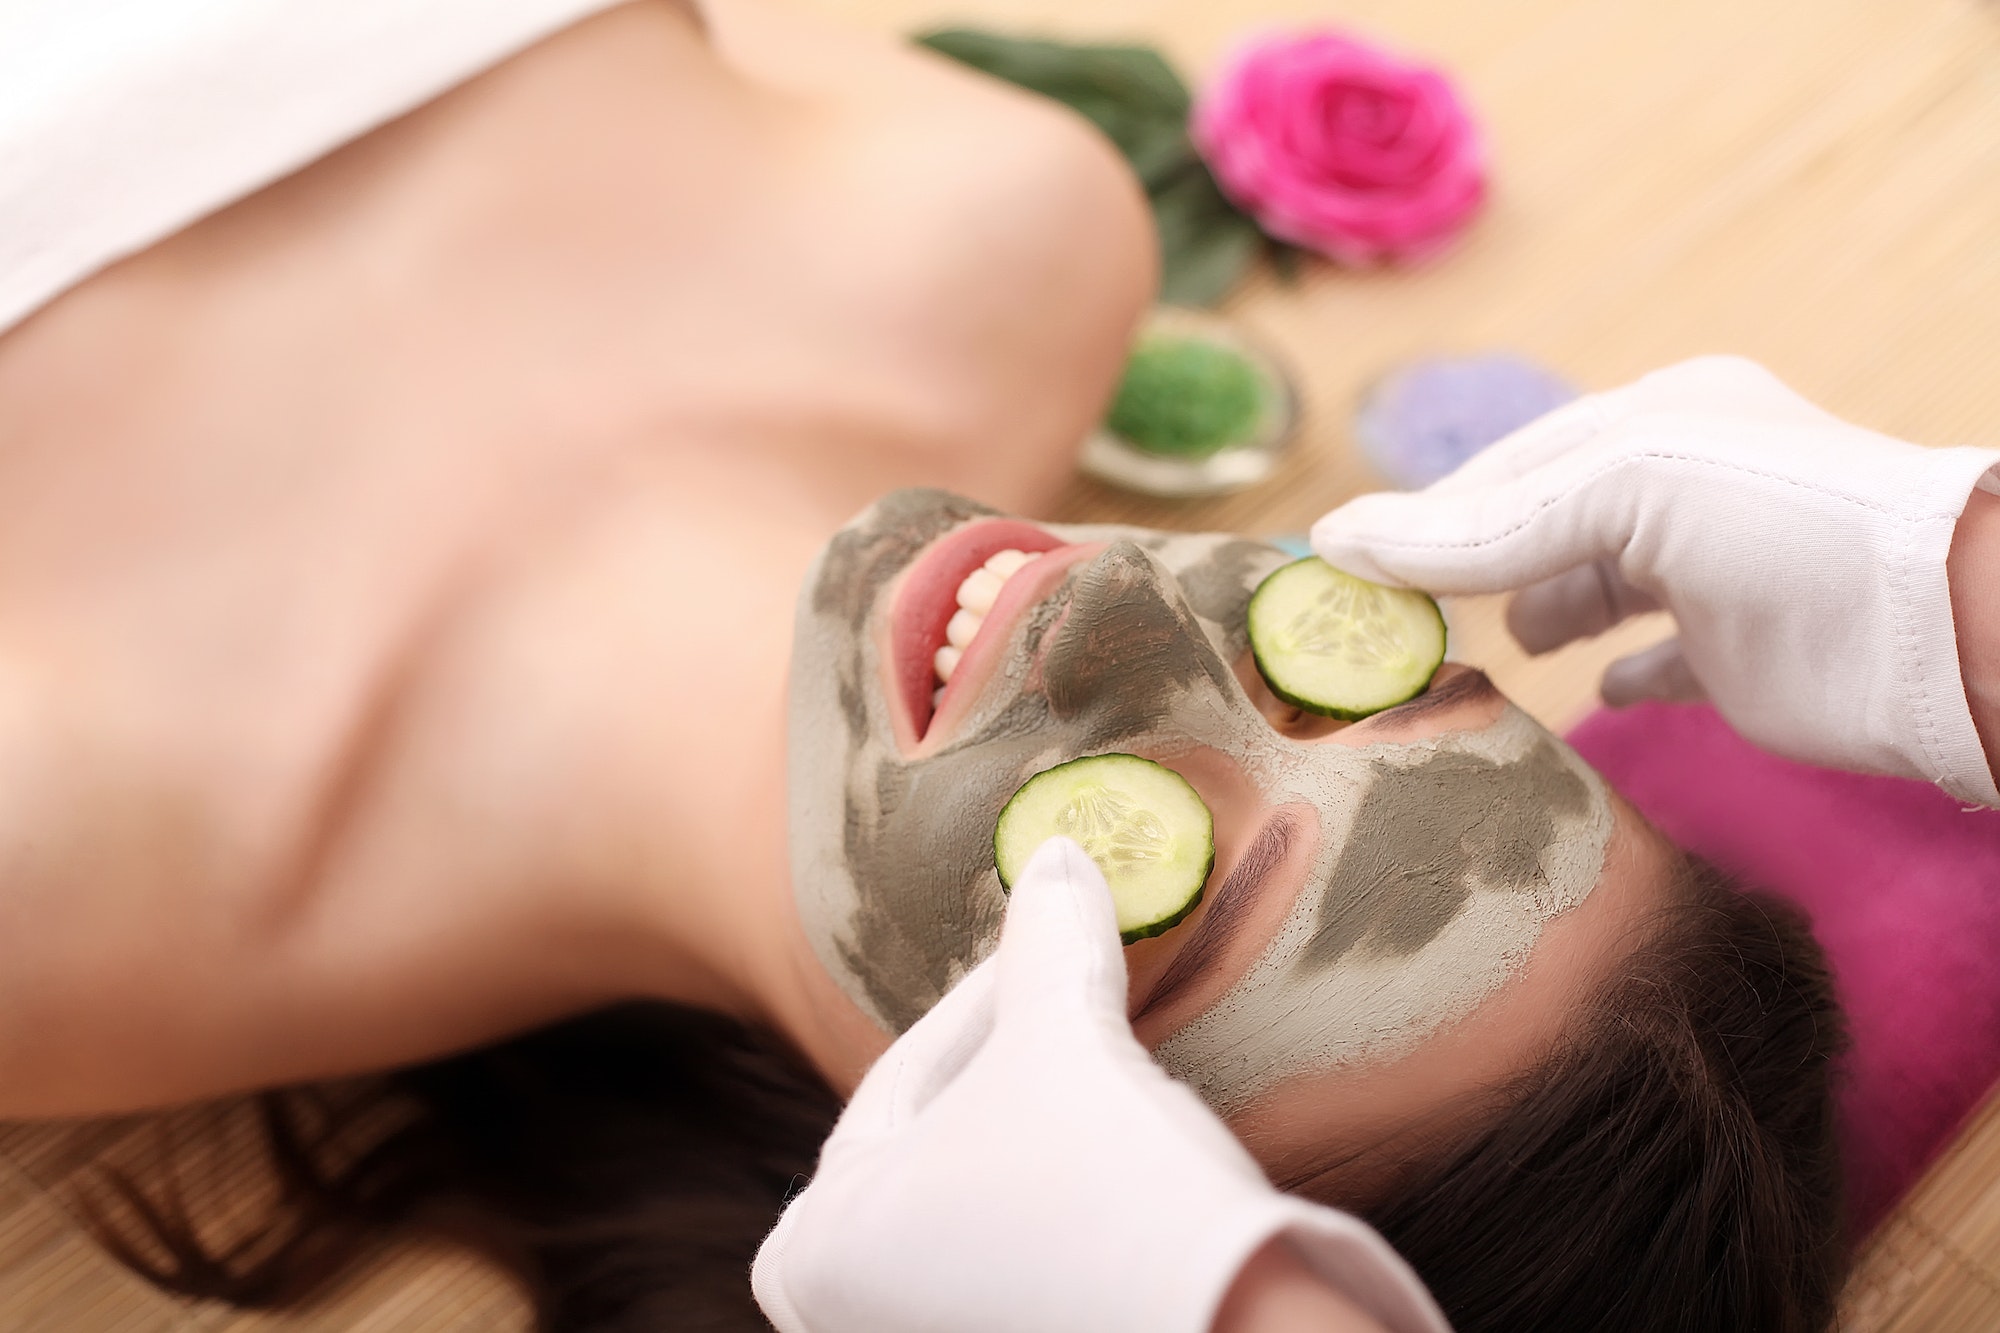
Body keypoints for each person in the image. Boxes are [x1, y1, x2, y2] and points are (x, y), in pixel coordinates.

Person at [0, 1, 1883, 1329]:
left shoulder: (64, 874)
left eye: (1171, 891)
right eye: (1382, 686)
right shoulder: (1008, 228)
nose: (1114, 617)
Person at [755, 356, 1998, 1333]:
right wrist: (1961, 577)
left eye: (1139, 886)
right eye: (1362, 686)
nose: (1106, 592)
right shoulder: (1009, 226)